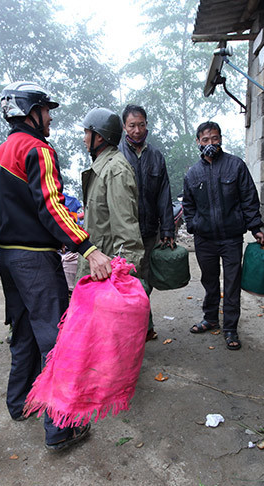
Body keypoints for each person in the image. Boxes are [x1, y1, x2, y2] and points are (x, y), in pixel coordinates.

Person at [0, 82, 111, 451]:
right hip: (36, 260)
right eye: (46, 110)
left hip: (9, 259)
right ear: (31, 112)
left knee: (22, 333)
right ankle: (60, 427)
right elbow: (52, 206)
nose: (50, 117)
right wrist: (89, 249)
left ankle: (20, 402)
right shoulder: (37, 149)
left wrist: (10, 239)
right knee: (57, 339)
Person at [182, 121, 264, 350]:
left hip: (231, 238)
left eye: (215, 138)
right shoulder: (192, 173)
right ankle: (210, 318)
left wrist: (255, 228)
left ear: (221, 139)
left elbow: (249, 198)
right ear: (198, 142)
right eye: (206, 140)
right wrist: (194, 225)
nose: (211, 143)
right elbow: (188, 205)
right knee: (209, 281)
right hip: (205, 239)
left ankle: (230, 328)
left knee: (231, 284)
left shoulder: (235, 166)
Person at [118, 104, 175, 341]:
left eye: (141, 124)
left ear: (147, 125)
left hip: (150, 231)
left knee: (146, 280)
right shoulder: (116, 155)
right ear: (124, 127)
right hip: (125, 232)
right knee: (129, 281)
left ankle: (145, 326)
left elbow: (164, 194)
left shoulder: (155, 156)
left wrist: (168, 229)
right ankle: (134, 329)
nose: (138, 130)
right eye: (132, 125)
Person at [76, 107, 145, 281]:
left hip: (107, 273)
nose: (84, 139)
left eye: (87, 133)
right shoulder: (102, 168)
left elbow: (126, 231)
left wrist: (122, 277)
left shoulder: (116, 170)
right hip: (97, 268)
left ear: (99, 136)